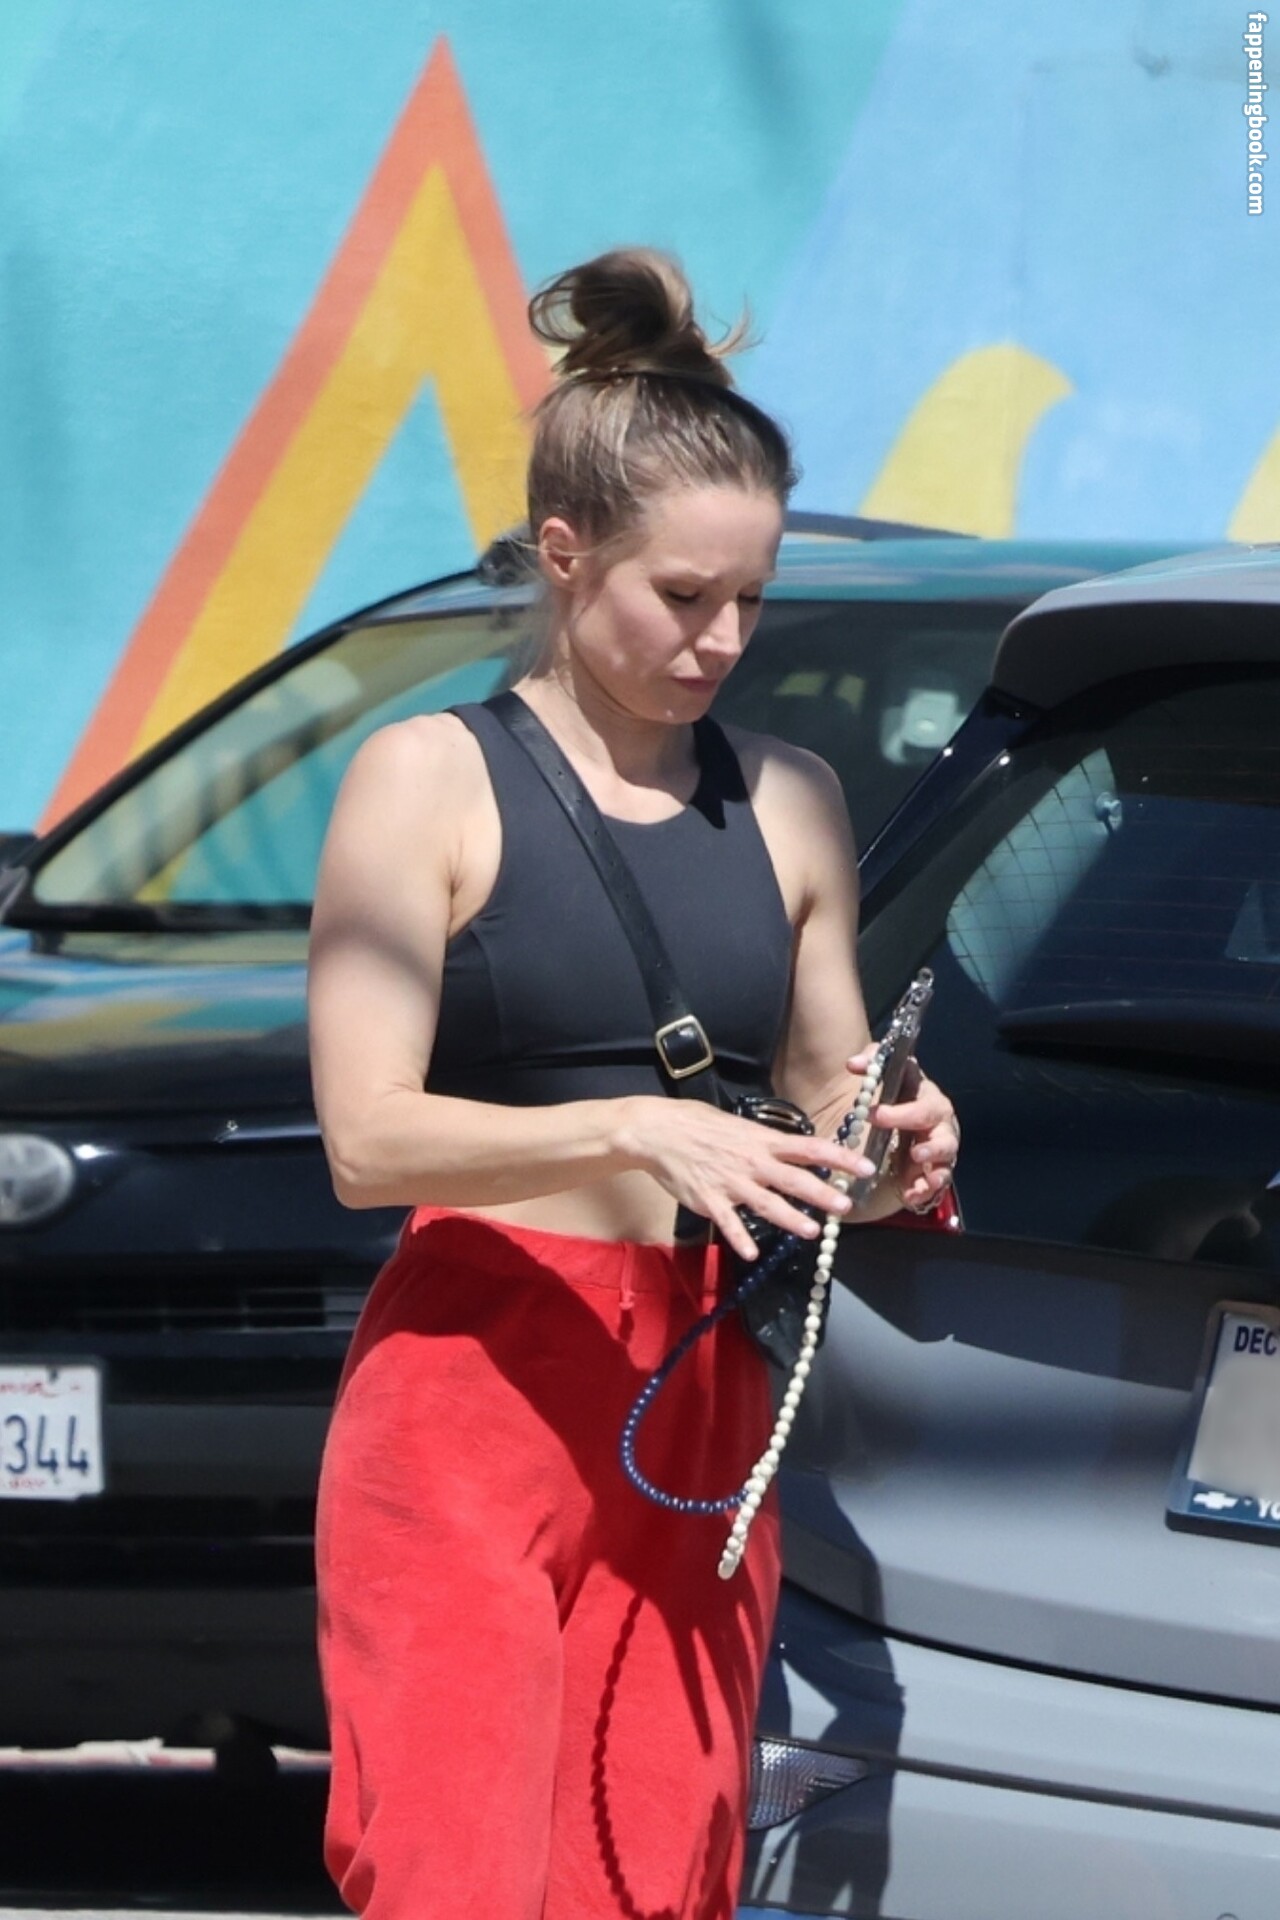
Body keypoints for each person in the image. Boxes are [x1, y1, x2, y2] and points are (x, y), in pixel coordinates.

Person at [308, 247, 959, 1920]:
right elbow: (366, 1140)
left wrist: (896, 1148)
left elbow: (826, 1105)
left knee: (657, 1873)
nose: (720, 639)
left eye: (752, 599)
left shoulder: (790, 798)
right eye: (682, 597)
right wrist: (630, 1124)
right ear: (563, 552)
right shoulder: (428, 778)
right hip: (479, 1377)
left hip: (701, 1388)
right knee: (456, 1869)